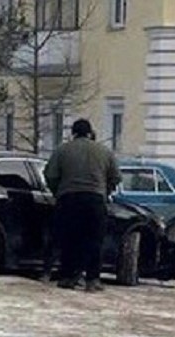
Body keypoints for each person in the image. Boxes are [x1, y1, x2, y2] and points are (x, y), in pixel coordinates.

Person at [43, 118, 121, 292]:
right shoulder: (104, 151)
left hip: (68, 199)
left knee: (69, 239)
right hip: (95, 200)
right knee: (95, 240)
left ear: (73, 133)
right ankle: (92, 280)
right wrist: (105, 190)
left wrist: (58, 191)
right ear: (90, 132)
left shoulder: (62, 150)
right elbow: (116, 176)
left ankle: (67, 277)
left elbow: (50, 174)